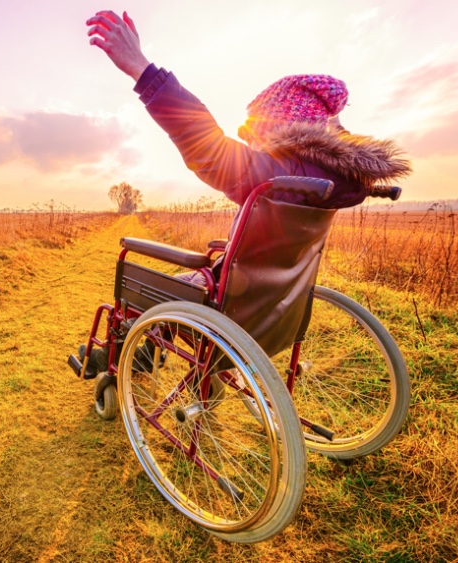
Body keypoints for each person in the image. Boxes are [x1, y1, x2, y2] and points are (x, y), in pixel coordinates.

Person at [78, 10, 411, 378]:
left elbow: (205, 146)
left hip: (232, 302)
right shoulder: (337, 183)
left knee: (145, 286)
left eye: (259, 134)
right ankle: (149, 352)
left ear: (285, 128)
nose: (255, 144)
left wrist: (142, 69)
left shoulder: (282, 176)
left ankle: (107, 357)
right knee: (190, 281)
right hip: (276, 305)